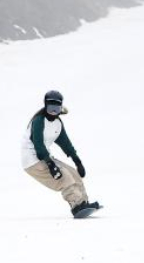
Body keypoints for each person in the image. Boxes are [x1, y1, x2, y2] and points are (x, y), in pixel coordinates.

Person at [21, 90, 101, 218]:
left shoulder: (57, 123)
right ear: (45, 106)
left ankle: (83, 202)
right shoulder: (39, 121)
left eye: (56, 108)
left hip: (44, 157)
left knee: (74, 174)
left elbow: (65, 143)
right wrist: (50, 164)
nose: (53, 112)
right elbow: (38, 145)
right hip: (32, 160)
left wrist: (77, 161)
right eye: (50, 107)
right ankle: (76, 204)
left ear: (60, 108)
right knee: (65, 177)